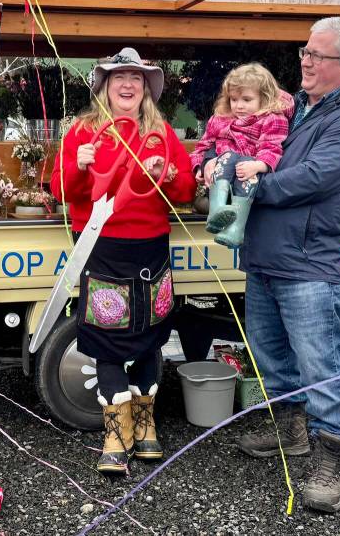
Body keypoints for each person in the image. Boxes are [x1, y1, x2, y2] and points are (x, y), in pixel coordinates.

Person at [235, 17, 340, 514]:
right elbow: (248, 142)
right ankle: (291, 432)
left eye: (318, 55)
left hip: (308, 262)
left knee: (319, 365)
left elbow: (315, 176)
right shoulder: (293, 107)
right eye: (306, 52)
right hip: (265, 255)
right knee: (271, 356)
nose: (306, 61)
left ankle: (334, 459)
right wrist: (218, 160)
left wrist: (250, 187)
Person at [51, 47, 196, 474]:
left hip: (149, 245)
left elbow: (185, 191)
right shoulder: (82, 131)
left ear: (146, 88)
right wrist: (78, 167)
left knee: (150, 336)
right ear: (106, 86)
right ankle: (116, 433)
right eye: (120, 78)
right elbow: (61, 190)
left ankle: (146, 426)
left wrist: (170, 174)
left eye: (136, 78)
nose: (128, 84)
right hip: (101, 246)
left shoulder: (161, 132)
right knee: (106, 337)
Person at [189, 62, 293, 248]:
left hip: (247, 175)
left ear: (264, 98)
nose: (239, 106)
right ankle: (216, 211)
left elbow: (272, 148)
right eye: (234, 99)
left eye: (247, 99)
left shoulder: (273, 119)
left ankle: (235, 231)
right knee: (228, 156)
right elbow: (203, 146)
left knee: (247, 171)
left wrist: (259, 165)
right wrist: (200, 166)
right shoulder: (220, 118)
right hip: (221, 174)